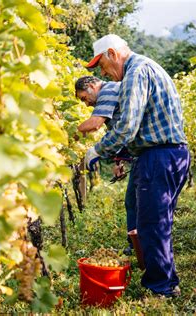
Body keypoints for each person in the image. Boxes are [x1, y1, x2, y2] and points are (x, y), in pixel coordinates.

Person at [84, 34, 190, 297]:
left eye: (102, 65)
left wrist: (98, 150)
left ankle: (161, 288)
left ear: (112, 53)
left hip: (157, 156)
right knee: (158, 223)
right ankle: (166, 282)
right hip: (172, 154)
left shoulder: (136, 71)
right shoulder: (147, 66)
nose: (104, 73)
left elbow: (128, 126)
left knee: (151, 225)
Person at [74, 75, 136, 256]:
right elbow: (117, 130)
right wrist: (119, 161)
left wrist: (70, 134)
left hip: (149, 154)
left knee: (137, 202)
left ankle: (142, 247)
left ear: (93, 86)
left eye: (85, 98)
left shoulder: (108, 90)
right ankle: (136, 244)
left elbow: (95, 123)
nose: (86, 104)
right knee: (133, 201)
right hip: (137, 153)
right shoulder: (110, 93)